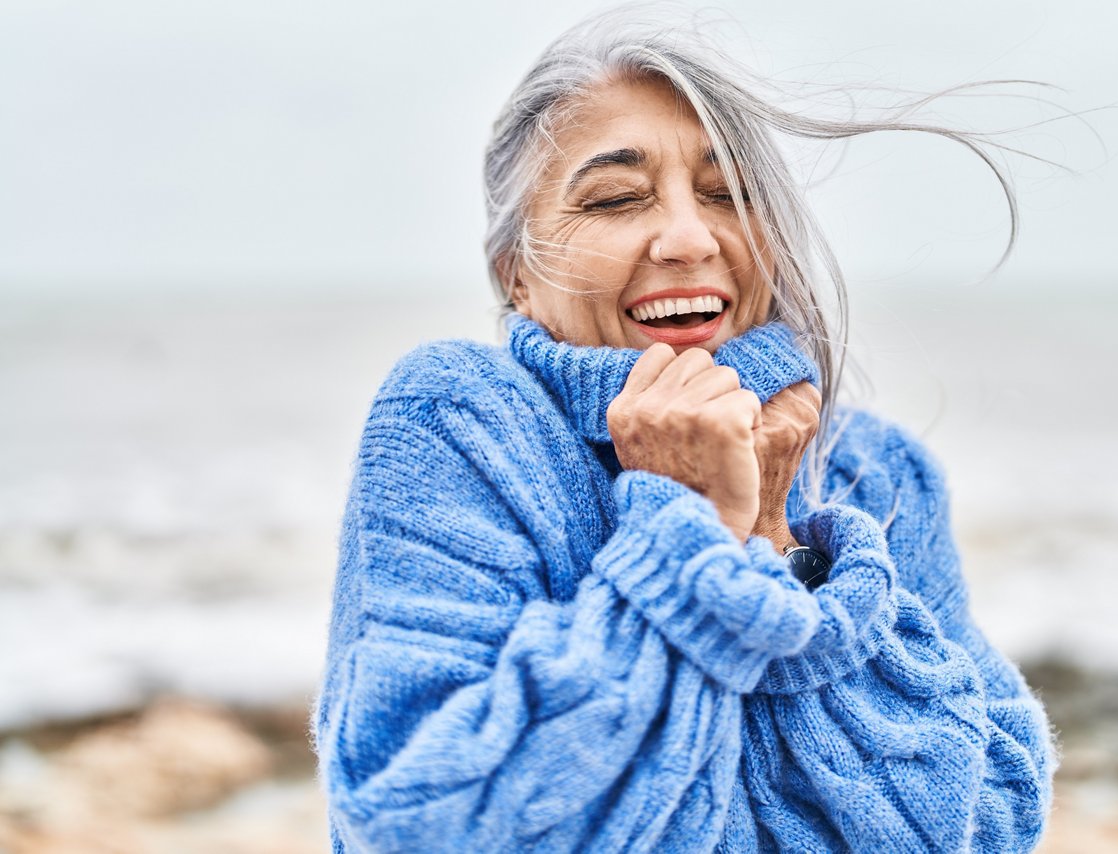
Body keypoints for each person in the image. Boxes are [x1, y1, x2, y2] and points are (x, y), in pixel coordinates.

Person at [312, 10, 1056, 853]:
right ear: (516, 274)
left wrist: (777, 546)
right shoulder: (461, 418)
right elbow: (422, 822)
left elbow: (991, 819)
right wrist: (686, 528)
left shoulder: (881, 471)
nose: (689, 237)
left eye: (727, 195)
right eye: (617, 199)